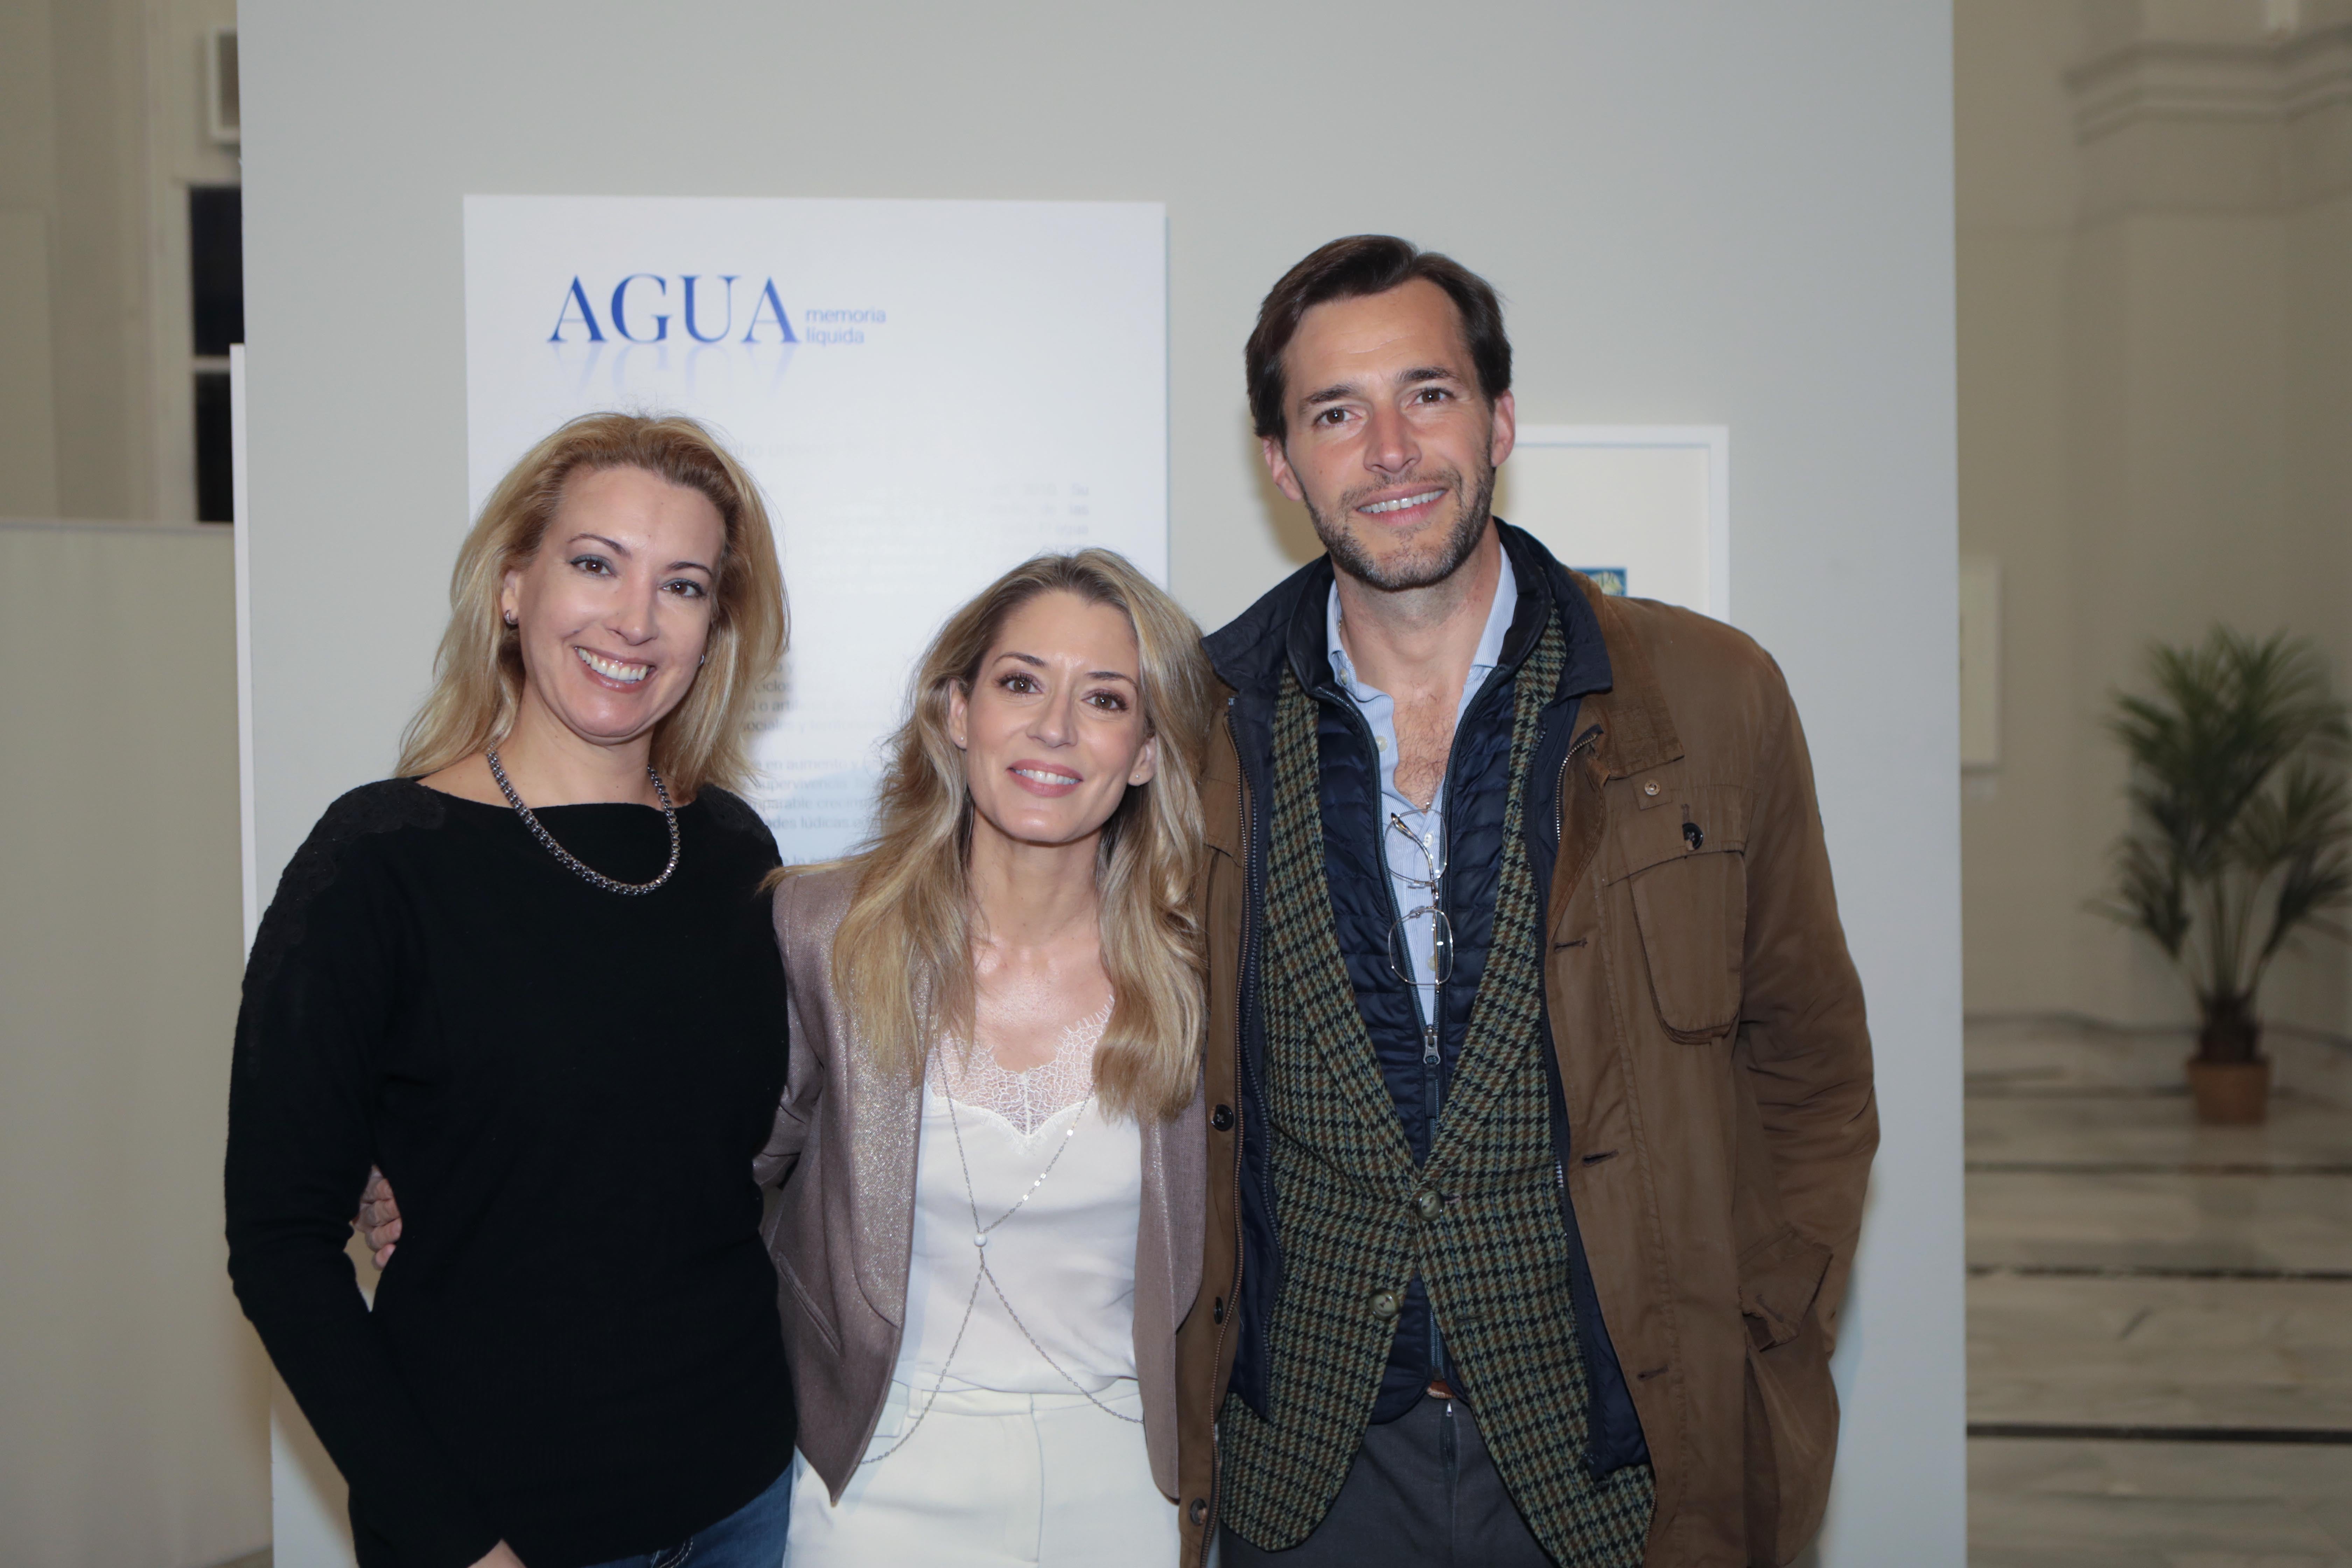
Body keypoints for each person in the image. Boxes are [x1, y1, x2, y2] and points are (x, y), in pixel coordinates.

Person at [1171, 237, 1878, 1568]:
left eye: (1427, 394)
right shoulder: (1203, 727)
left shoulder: (1710, 696)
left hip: (1620, 1466)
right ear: (1282, 461)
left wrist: (1765, 1324)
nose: (1388, 447)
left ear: (1499, 418)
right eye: (1336, 412)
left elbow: (1813, 1064)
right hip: (1305, 1474)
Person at [225, 412, 798, 1568]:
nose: (635, 621)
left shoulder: (735, 850)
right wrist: (453, 1541)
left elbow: (725, 1162)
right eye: (596, 564)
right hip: (499, 1521)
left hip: (741, 1493)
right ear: (511, 584)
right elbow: (281, 1245)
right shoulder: (377, 864)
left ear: (715, 628)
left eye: (682, 585)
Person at [760, 550, 1213, 1566]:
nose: (1054, 728)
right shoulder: (821, 933)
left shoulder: (1206, 973)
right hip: (869, 1486)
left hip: (1130, 1494)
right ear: (958, 712)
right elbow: (701, 1187)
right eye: (1020, 683)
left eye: (1105, 699)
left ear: (1145, 751)